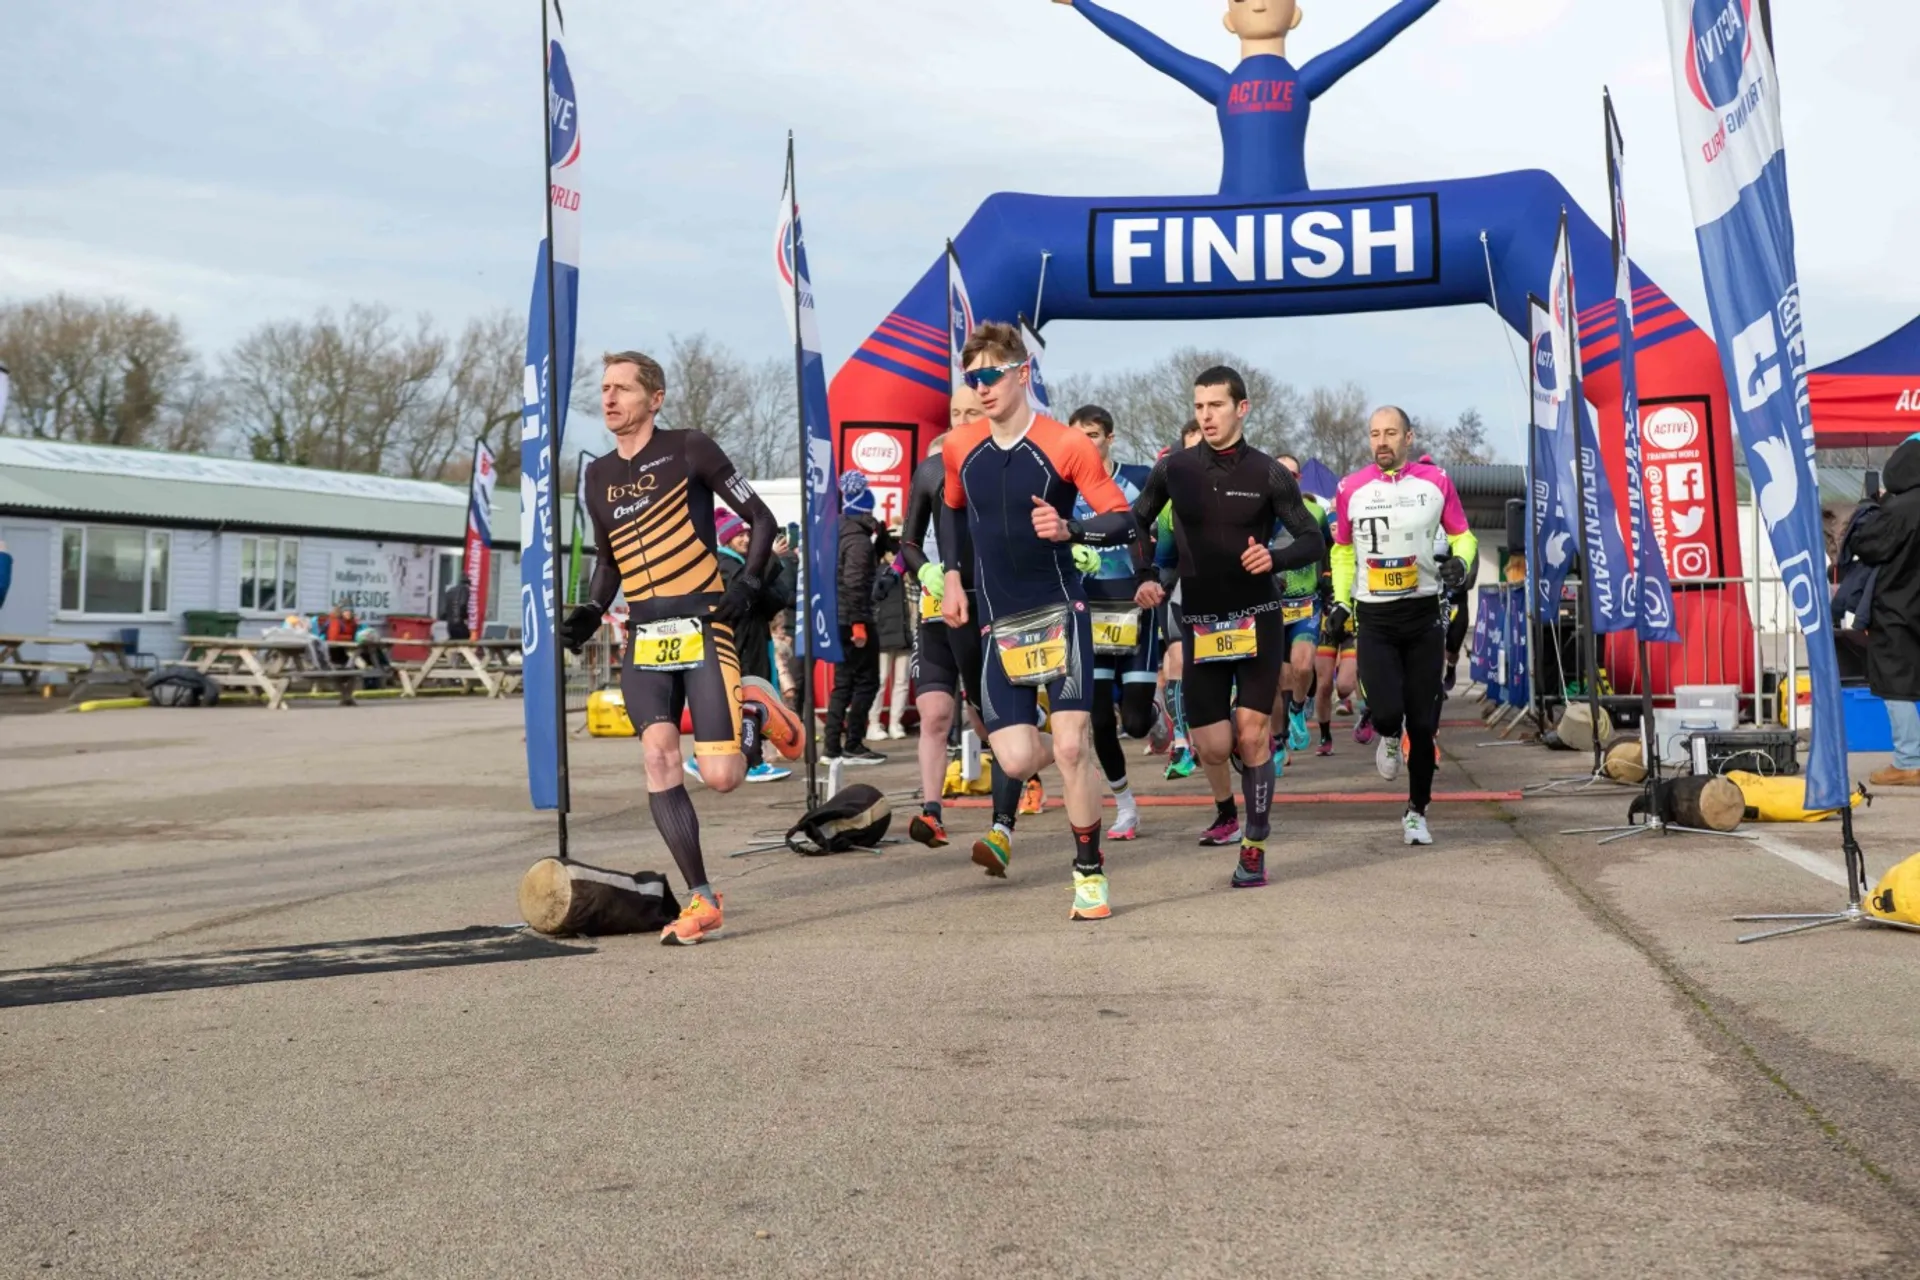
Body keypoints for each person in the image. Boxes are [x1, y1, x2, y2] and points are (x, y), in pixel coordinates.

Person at [561, 350, 799, 946]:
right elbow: (608, 561)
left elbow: (762, 520)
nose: (609, 398)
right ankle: (702, 897)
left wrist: (748, 584)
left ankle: (753, 706)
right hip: (646, 637)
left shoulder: (689, 447)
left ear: (655, 398)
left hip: (704, 625)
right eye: (605, 388)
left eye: (623, 388)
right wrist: (591, 609)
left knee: (721, 776)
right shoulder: (597, 476)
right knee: (659, 758)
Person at [941, 321, 1140, 920]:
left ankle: (1089, 874)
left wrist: (1070, 528)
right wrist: (951, 575)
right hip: (999, 622)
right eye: (972, 377)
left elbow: (1123, 519)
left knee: (1072, 747)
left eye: (991, 375)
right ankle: (1077, 750)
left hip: (1060, 609)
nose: (981, 387)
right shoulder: (959, 447)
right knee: (1017, 759)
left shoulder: (1065, 443)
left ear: (1022, 373)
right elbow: (951, 511)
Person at [1132, 366, 1325, 889]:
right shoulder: (1174, 470)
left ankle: (1254, 846)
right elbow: (1138, 521)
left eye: (1215, 405)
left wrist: (1275, 558)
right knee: (1215, 746)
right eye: (1199, 406)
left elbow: (1312, 539)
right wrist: (1146, 575)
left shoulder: (1268, 473)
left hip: (1258, 619)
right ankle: (1236, 791)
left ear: (1242, 408)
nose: (1206, 416)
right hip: (1200, 623)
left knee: (1253, 733)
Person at [1328, 407, 1478, 845]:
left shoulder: (1436, 482)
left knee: (1424, 723)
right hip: (1374, 617)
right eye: (1375, 434)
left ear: (1408, 438)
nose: (1381, 441)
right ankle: (1388, 735)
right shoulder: (1351, 488)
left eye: (1390, 433)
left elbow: (1464, 535)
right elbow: (1342, 550)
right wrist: (1341, 602)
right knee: (1388, 711)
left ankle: (1416, 812)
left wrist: (1462, 562)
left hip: (1423, 614)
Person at [900, 411, 994, 849]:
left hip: (977, 612)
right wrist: (925, 573)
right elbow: (907, 546)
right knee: (935, 715)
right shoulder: (926, 478)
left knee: (985, 717)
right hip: (933, 615)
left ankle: (1023, 780)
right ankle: (932, 810)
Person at [1068, 404, 1157, 841]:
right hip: (1090, 612)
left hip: (1135, 606)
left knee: (1135, 722)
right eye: (1077, 436)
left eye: (1093, 435)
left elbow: (1158, 535)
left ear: (1109, 438)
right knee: (1100, 719)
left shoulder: (1138, 479)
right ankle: (1125, 806)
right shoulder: (1063, 489)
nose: (1085, 444)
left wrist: (1155, 577)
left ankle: (1156, 717)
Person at [1850, 434, 1920, 786]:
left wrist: (1872, 507)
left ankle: (1909, 760)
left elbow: (1867, 545)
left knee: (1896, 684)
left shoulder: (1899, 508)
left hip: (1898, 606)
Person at [713, 508, 794, 783]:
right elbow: (748, 591)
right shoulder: (726, 563)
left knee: (755, 698)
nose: (746, 539)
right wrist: (770, 559)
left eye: (748, 534)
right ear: (727, 539)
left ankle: (750, 758)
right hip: (742, 642)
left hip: (755, 638)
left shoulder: (745, 564)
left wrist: (768, 569)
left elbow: (776, 598)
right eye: (740, 535)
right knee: (748, 699)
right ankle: (752, 761)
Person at [823, 472, 892, 766]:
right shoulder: (858, 541)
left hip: (837, 618)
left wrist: (878, 546)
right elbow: (854, 583)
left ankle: (831, 748)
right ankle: (852, 743)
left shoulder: (838, 533)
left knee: (843, 683)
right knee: (867, 682)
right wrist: (859, 623)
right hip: (854, 619)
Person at [1273, 454, 1333, 760]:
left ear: (1299, 480)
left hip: (1306, 603)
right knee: (1277, 681)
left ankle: (1298, 708)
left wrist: (1327, 578)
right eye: (1279, 472)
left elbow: (1328, 547)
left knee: (1303, 666)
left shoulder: (1314, 511)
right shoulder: (1257, 512)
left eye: (1291, 474)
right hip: (1270, 605)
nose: (1285, 479)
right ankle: (1278, 742)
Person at [1156, 419, 1205, 779]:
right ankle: (1182, 744)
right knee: (1177, 662)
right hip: (1184, 592)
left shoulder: (1245, 489)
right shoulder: (1168, 506)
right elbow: (1163, 560)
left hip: (1234, 596)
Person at [868, 539, 914, 743]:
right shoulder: (883, 573)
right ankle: (874, 723)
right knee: (881, 681)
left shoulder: (907, 573)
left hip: (903, 633)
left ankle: (895, 722)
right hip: (885, 633)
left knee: (900, 681)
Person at [440, 573, 473, 643]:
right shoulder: (465, 590)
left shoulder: (450, 591)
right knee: (466, 640)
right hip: (459, 624)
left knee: (454, 642)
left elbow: (444, 611)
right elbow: (463, 605)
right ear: (467, 584)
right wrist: (466, 617)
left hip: (450, 625)